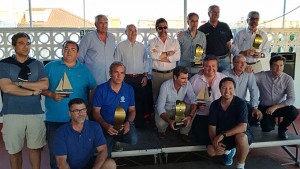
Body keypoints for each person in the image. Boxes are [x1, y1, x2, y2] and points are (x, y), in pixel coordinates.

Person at [42, 40, 97, 169]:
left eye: (73, 49)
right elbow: (40, 87)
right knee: (56, 156)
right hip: (55, 119)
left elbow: (93, 87)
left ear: (78, 53)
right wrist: (51, 94)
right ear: (62, 51)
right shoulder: (50, 67)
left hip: (78, 120)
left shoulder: (84, 70)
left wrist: (89, 107)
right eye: (66, 49)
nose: (69, 52)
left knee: (77, 154)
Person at [0, 32, 49, 169]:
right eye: (21, 43)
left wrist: (19, 84)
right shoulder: (4, 64)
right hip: (12, 113)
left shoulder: (37, 64)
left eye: (28, 43)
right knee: (14, 151)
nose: (25, 46)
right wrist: (32, 92)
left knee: (35, 148)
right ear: (14, 46)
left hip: (35, 113)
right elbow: (6, 88)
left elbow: (44, 85)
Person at [53, 98, 116, 169]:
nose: (81, 113)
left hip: (88, 166)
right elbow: (61, 162)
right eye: (77, 111)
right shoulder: (60, 132)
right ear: (69, 113)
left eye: (83, 110)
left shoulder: (94, 127)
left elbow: (103, 150)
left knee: (110, 164)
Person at [92, 61, 138, 157]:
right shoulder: (100, 89)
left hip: (122, 124)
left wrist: (128, 123)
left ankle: (116, 139)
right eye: (115, 72)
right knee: (105, 156)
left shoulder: (129, 89)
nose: (119, 76)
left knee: (133, 139)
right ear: (110, 73)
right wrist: (106, 126)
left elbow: (132, 110)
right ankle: (112, 139)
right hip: (105, 125)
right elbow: (95, 112)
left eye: (122, 73)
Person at [207, 77, 253, 169]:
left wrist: (223, 135)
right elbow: (212, 126)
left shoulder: (241, 103)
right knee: (211, 151)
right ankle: (229, 151)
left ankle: (240, 165)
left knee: (241, 138)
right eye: (224, 88)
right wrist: (215, 142)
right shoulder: (214, 105)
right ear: (220, 89)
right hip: (223, 134)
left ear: (234, 89)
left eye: (230, 88)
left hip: (239, 133)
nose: (227, 91)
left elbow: (242, 127)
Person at [255, 55, 299, 140]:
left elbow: (291, 99)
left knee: (294, 112)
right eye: (276, 65)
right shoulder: (262, 75)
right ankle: (268, 122)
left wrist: (275, 107)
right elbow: (250, 77)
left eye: (281, 65)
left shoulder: (288, 79)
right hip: (265, 108)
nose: (279, 68)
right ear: (271, 66)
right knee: (267, 129)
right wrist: (248, 70)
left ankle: (282, 129)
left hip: (279, 107)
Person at [114, 24, 149, 128]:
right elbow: (117, 62)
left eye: (135, 31)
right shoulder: (120, 46)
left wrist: (145, 76)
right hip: (126, 78)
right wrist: (120, 77)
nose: (133, 33)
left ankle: (139, 123)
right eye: (130, 31)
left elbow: (146, 61)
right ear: (126, 32)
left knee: (139, 101)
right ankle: (124, 123)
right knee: (124, 101)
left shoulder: (142, 46)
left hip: (140, 78)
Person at [189, 55, 227, 145]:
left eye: (213, 66)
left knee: (223, 138)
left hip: (220, 116)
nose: (211, 69)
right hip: (201, 115)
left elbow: (232, 98)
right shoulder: (194, 80)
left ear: (217, 66)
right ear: (203, 66)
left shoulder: (224, 79)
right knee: (202, 140)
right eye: (207, 66)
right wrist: (197, 105)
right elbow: (187, 101)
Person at [155, 66, 197, 142]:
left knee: (193, 108)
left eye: (187, 78)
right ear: (175, 77)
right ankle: (162, 130)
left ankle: (184, 132)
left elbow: (194, 100)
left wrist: (190, 116)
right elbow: (160, 107)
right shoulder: (165, 86)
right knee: (160, 124)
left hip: (179, 108)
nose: (186, 81)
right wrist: (169, 121)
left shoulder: (187, 84)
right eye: (183, 78)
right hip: (166, 109)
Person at [222, 54, 262, 126]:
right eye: (240, 62)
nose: (243, 64)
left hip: (242, 102)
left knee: (256, 116)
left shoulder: (248, 74)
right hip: (228, 102)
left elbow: (253, 90)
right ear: (233, 63)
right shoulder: (225, 74)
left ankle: (243, 127)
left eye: (244, 62)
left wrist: (254, 107)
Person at [148, 18, 181, 104]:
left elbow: (177, 57)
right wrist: (168, 53)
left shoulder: (174, 41)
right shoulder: (152, 42)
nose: (163, 30)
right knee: (156, 98)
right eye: (160, 28)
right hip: (156, 75)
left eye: (165, 27)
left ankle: (169, 117)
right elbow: (152, 55)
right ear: (156, 29)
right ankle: (157, 117)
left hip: (170, 75)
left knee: (171, 98)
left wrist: (159, 56)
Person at [79, 14, 116, 85]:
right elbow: (80, 57)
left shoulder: (112, 37)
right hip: (94, 78)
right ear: (96, 24)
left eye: (106, 23)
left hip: (109, 78)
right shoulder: (88, 37)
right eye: (101, 23)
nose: (104, 26)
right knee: (94, 96)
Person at [198, 5, 233, 72]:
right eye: (214, 12)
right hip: (210, 62)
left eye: (218, 12)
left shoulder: (225, 26)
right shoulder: (202, 29)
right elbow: (198, 45)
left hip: (224, 61)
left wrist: (230, 59)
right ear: (209, 13)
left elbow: (229, 44)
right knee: (211, 80)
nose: (216, 14)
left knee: (225, 80)